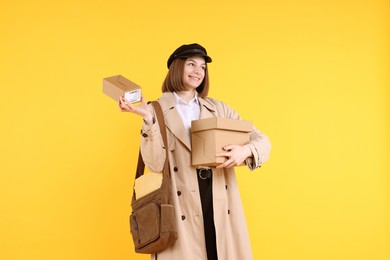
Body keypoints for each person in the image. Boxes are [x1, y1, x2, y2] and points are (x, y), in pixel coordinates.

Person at [119, 43, 271, 260]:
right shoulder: (156, 110)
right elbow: (153, 164)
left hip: (218, 197)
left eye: (202, 67)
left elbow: (262, 140)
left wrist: (245, 151)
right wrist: (147, 118)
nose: (198, 71)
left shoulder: (217, 108)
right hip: (181, 204)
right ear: (176, 68)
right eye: (191, 64)